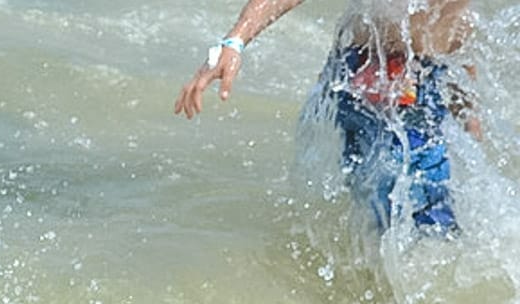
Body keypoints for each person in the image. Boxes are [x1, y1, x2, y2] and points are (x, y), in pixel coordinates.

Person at [174, 0, 479, 233]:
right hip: (374, 75)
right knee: (403, 221)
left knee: (424, 223)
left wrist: (469, 109)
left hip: (425, 80)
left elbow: (459, 27)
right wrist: (233, 42)